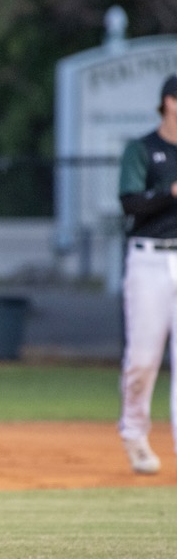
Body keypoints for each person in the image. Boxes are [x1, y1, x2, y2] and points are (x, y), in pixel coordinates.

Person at [116, 73, 177, 475]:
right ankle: (135, 434)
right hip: (149, 260)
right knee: (143, 357)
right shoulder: (143, 149)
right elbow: (131, 202)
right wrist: (168, 193)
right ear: (169, 102)